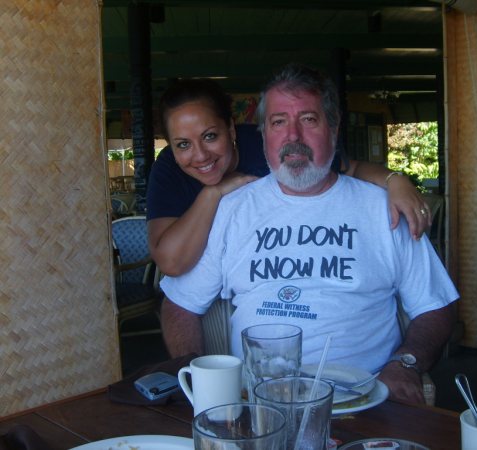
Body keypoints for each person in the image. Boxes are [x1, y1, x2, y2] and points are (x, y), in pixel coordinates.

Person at [160, 63, 459, 404]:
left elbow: (436, 305)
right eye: (278, 122)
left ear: (334, 128)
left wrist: (406, 363)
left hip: (362, 399)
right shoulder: (232, 209)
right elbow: (180, 305)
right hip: (257, 405)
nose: (293, 137)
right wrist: (199, 377)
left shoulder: (383, 208)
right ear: (263, 135)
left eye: (308, 119)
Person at [147, 78, 432, 277]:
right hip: (212, 277)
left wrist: (396, 180)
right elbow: (171, 263)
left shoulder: (268, 144)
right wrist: (213, 193)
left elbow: (351, 169)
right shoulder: (168, 169)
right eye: (182, 144)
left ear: (231, 130)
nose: (200, 155)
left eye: (210, 136)